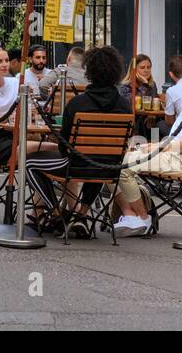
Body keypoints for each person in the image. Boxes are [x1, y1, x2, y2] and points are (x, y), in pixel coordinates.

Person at [112, 50, 182, 237]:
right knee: (109, 161)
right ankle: (133, 212)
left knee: (120, 166)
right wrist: (157, 146)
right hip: (174, 153)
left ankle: (142, 217)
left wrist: (158, 147)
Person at [26, 46, 133, 238]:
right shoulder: (125, 107)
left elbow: (64, 143)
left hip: (75, 165)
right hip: (109, 168)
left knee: (30, 163)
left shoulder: (78, 104)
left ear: (89, 71)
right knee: (100, 160)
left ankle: (57, 214)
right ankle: (81, 215)